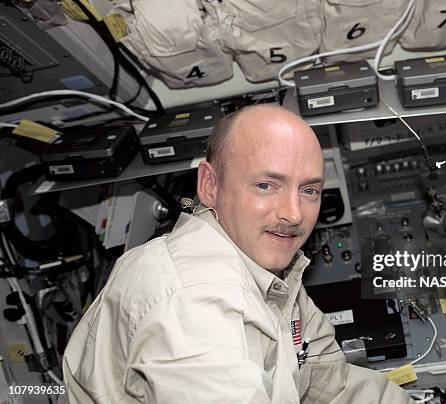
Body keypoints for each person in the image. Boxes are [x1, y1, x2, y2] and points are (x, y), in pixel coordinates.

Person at [63, 105, 414, 403]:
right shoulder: (191, 301)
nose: (293, 213)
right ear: (209, 186)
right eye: (266, 185)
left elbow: (332, 385)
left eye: (309, 190)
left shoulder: (269, 270)